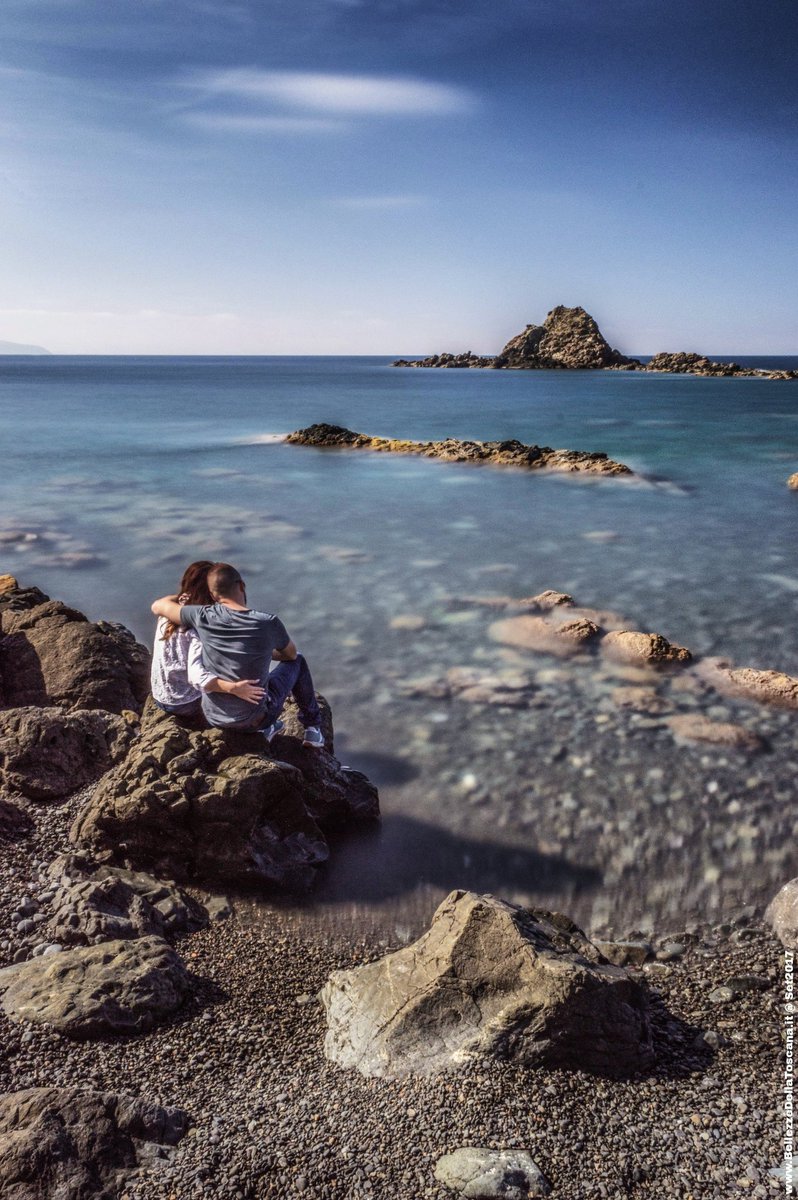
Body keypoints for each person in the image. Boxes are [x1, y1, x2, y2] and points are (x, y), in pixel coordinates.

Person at [150, 561, 324, 747]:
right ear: (241, 585)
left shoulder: (200, 616)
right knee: (298, 660)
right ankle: (312, 728)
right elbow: (290, 655)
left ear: (213, 593)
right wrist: (238, 681)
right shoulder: (267, 622)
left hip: (211, 715)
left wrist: (183, 597)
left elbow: (158, 605)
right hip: (249, 718)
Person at [150, 560, 265, 717]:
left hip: (160, 696)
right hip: (185, 703)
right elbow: (196, 675)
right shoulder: (200, 626)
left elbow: (162, 603)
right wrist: (234, 688)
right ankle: (262, 725)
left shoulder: (171, 609)